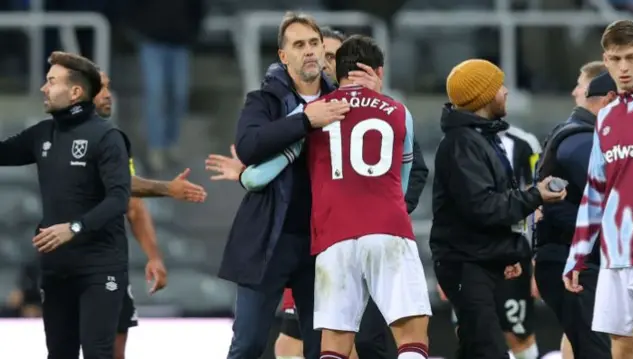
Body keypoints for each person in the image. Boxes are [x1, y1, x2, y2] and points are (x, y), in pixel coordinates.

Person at [207, 23, 428, 359]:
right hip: (293, 236)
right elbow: (408, 171)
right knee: (252, 342)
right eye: (302, 45)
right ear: (283, 55)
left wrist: (246, 174)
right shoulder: (269, 101)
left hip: (328, 240)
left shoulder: (331, 109)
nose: (313, 53)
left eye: (319, 47)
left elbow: (259, 174)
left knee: (327, 345)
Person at [430, 58, 566, 359]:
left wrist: (509, 251)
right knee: (487, 348)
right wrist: (536, 195)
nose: (505, 91)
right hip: (466, 263)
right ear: (483, 96)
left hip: (482, 259)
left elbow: (492, 205)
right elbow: (484, 207)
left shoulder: (480, 139)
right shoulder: (463, 144)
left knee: (476, 347)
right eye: (498, 86)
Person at [0, 51, 129, 359]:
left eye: (51, 82)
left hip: (100, 267)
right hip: (56, 268)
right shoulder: (43, 134)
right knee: (59, 353)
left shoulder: (107, 137)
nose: (44, 88)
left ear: (75, 92)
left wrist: (74, 228)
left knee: (98, 353)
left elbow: (119, 199)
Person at [93, 71, 208, 359]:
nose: (109, 94)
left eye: (109, 86)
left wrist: (154, 255)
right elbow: (119, 185)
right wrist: (168, 188)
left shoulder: (115, 141)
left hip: (110, 264)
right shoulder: (58, 139)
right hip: (72, 264)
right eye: (100, 88)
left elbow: (132, 202)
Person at [563, 20, 633, 359]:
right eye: (616, 58)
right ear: (605, 61)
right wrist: (578, 253)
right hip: (615, 253)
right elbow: (595, 190)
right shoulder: (606, 118)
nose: (623, 67)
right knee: (620, 348)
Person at [439, 122, 543, 359]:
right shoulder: (454, 143)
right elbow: (447, 208)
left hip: (512, 255)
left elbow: (537, 206)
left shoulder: (524, 143)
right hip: (467, 257)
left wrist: (535, 260)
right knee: (469, 332)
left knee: (518, 334)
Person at [535, 64, 614, 359]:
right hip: (573, 264)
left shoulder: (579, 135)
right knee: (597, 351)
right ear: (609, 100)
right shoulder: (581, 141)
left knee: (587, 345)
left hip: (576, 261)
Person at [128, 0, 205, 171]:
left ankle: (171, 143)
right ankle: (156, 147)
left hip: (180, 42)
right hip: (151, 40)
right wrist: (138, 28)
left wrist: (192, 32)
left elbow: (198, 7)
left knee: (179, 94)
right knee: (155, 93)